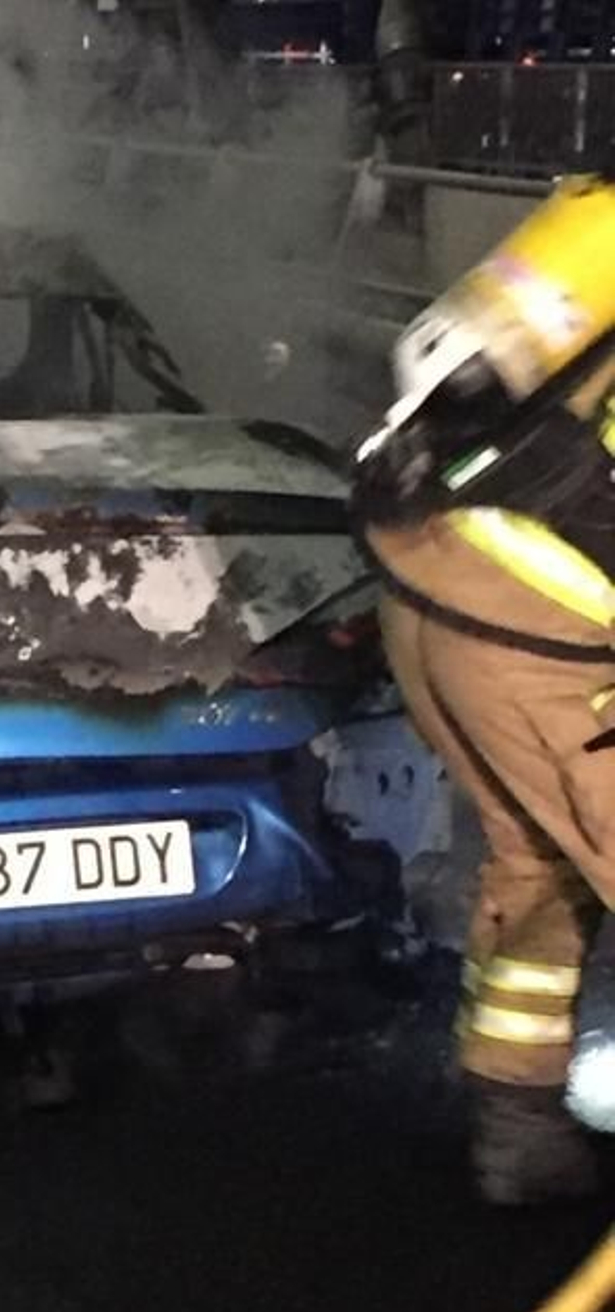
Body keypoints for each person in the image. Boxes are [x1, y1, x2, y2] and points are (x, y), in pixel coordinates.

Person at [354, 176, 615, 1205]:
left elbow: (443, 361)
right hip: (540, 626)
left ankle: (517, 1125)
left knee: (539, 857)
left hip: (432, 578)